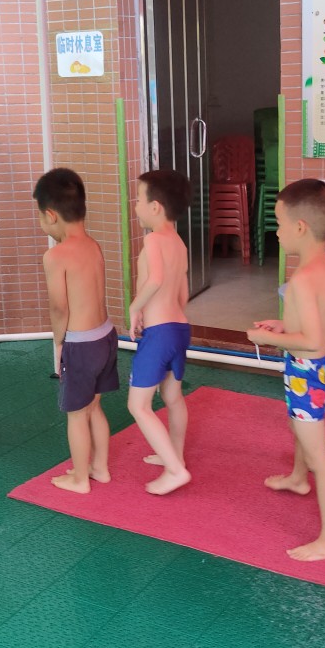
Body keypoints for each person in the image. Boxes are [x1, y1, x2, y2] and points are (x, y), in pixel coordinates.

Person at [248, 179, 325, 561]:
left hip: (308, 367)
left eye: (279, 223)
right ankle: (298, 478)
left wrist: (266, 338)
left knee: (320, 456)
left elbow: (313, 341)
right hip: (317, 366)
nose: (276, 231)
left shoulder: (303, 278)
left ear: (300, 227)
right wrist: (285, 326)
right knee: (298, 426)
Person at [33, 168, 119, 494]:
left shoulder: (55, 256)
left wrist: (58, 345)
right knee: (94, 407)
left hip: (81, 345)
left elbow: (60, 308)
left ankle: (80, 478)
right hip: (106, 337)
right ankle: (100, 468)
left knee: (76, 414)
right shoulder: (93, 245)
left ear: (51, 215)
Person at [128, 170, 193, 496]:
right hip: (180, 329)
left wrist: (135, 308)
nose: (135, 205)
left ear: (155, 207)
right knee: (172, 397)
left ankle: (175, 470)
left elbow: (154, 280)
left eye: (138, 199)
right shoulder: (178, 243)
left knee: (138, 405)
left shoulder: (153, 240)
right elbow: (182, 294)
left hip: (160, 333)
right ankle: (174, 456)